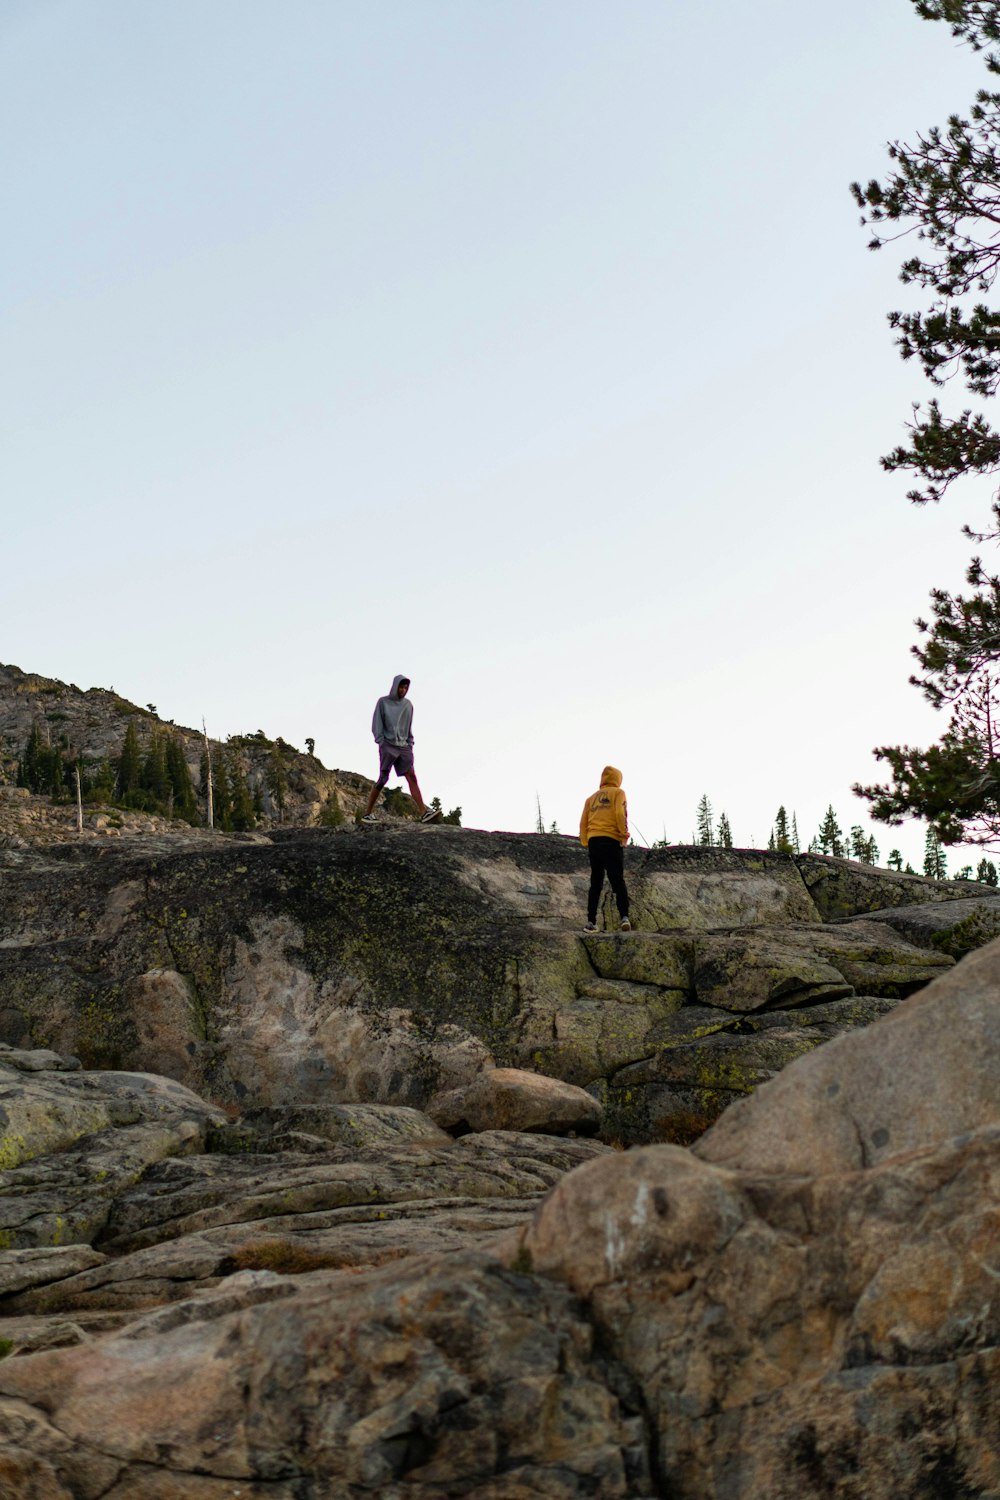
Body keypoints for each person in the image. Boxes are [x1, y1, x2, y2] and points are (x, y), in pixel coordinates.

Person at [362, 674, 437, 823]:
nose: (403, 690)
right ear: (395, 687)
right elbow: (376, 724)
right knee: (383, 778)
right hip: (388, 745)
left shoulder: (408, 705)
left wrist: (410, 743)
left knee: (412, 777)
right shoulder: (383, 702)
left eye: (406, 688)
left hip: (404, 746)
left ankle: (423, 813)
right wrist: (381, 742)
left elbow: (409, 726)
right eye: (401, 687)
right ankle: (367, 813)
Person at [579, 765, 631, 931]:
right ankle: (624, 917)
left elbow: (583, 822)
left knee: (596, 882)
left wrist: (586, 841)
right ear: (617, 779)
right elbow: (619, 813)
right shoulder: (618, 793)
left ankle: (591, 922)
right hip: (611, 840)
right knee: (617, 880)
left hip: (594, 841)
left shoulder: (591, 799)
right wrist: (623, 835)